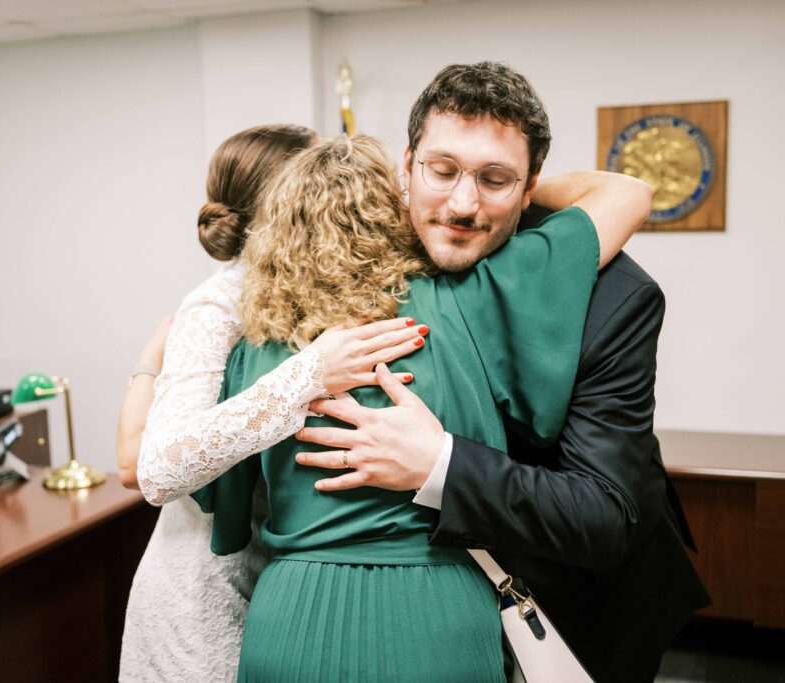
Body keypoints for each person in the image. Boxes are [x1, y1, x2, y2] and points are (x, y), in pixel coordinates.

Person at [295, 62, 710, 682]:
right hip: (426, 596)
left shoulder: (613, 295)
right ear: (406, 166)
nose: (463, 205)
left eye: (496, 179)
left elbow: (604, 514)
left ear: (531, 184)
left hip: (576, 602)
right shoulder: (373, 251)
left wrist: (438, 463)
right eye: (443, 170)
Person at [183, 130, 648, 681]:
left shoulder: (253, 352)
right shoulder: (474, 299)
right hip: (439, 611)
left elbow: (228, 516)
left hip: (291, 616)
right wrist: (519, 191)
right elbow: (625, 195)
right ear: (396, 209)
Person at [115, 124, 428, 682]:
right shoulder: (217, 303)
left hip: (274, 579)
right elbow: (157, 470)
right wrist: (307, 375)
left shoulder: (308, 284)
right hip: (200, 595)